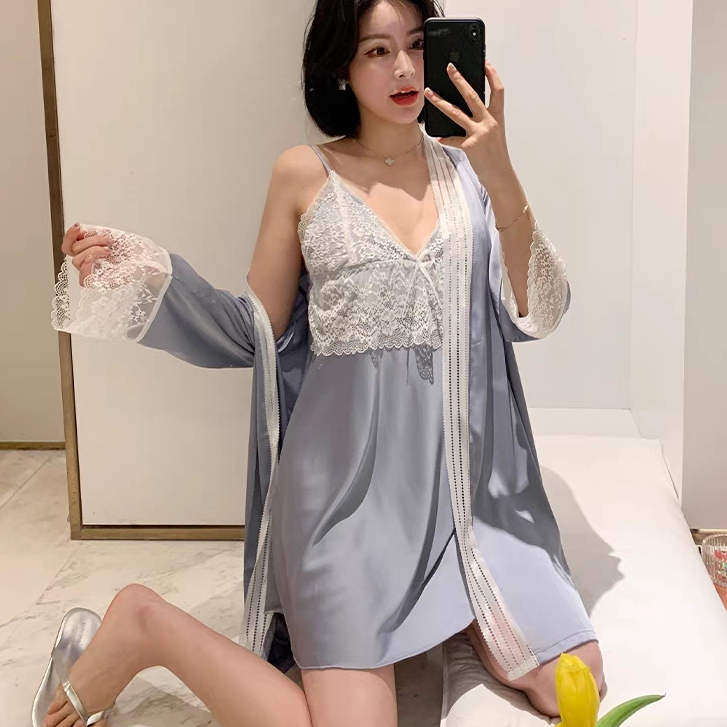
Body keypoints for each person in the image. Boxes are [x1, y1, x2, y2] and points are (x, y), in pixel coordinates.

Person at [39, 1, 607, 725]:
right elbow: (255, 331)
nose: (403, 68)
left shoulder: (470, 174)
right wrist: (147, 274)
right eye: (376, 50)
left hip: (469, 502)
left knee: (574, 685)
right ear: (341, 66)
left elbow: (542, 311)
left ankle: (461, 607)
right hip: (349, 506)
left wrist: (501, 173)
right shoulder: (304, 175)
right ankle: (146, 625)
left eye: (415, 44)